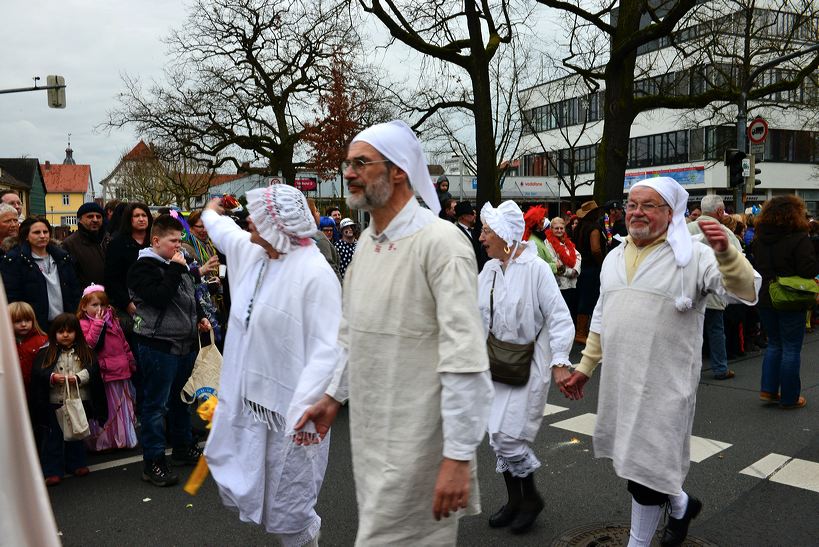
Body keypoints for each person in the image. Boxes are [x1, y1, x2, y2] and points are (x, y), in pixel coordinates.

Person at [295, 120, 493, 546]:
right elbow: (352, 333)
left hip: (422, 446)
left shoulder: (441, 243)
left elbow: (466, 359)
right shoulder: (367, 243)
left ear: (398, 171)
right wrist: (333, 396)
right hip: (371, 441)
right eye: (348, 163)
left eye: (361, 163)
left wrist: (458, 456)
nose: (348, 172)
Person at [563, 178, 758, 547]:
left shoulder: (694, 255)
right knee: (636, 462)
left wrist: (727, 253)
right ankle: (683, 504)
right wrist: (584, 367)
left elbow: (745, 292)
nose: (636, 212)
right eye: (632, 204)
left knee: (645, 473)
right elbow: (604, 316)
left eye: (649, 205)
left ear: (671, 213)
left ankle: (639, 542)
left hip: (664, 388)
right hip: (621, 382)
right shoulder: (614, 256)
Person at [201, 185, 341, 547]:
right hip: (251, 406)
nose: (249, 219)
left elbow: (330, 348)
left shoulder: (315, 273)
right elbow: (224, 230)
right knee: (258, 491)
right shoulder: (256, 254)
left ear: (278, 224)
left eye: (258, 215)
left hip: (291, 413)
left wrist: (306, 411)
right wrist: (210, 212)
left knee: (289, 506)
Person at [477, 201, 574, 534]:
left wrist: (560, 360)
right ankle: (516, 499)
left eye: (487, 231)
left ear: (506, 235)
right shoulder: (490, 270)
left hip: (530, 362)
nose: (481, 237)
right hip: (498, 362)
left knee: (510, 437)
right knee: (497, 434)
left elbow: (560, 317)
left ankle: (530, 498)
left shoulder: (536, 269)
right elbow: (476, 316)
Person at [127, 214, 211, 487]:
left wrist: (199, 315)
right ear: (156, 241)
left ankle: (183, 446)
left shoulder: (177, 263)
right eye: (173, 241)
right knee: (156, 405)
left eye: (180, 240)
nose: (178, 245)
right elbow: (160, 298)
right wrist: (175, 269)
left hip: (184, 342)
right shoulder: (143, 268)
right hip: (158, 345)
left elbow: (188, 293)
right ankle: (153, 461)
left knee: (181, 400)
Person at [752, 195, 818, 409]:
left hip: (765, 295)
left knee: (774, 344)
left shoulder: (759, 238)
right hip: (790, 296)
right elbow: (808, 270)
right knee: (791, 348)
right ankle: (789, 397)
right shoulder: (799, 238)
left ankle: (768, 391)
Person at [31, 313, 97, 486]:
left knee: (76, 433)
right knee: (53, 437)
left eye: (69, 331)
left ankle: (76, 464)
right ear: (54, 334)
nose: (65, 335)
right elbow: (39, 372)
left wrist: (79, 377)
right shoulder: (46, 351)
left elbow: (93, 369)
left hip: (77, 399)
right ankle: (52, 470)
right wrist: (52, 377)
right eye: (61, 332)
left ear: (77, 332)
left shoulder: (85, 350)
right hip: (55, 401)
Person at [687, 195, 743, 379]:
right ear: (719, 211)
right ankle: (720, 368)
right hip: (713, 290)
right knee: (716, 330)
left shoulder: (687, 229)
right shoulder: (724, 232)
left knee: (689, 333)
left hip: (689, 290)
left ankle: (686, 369)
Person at [77, 284, 138, 451]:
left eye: (102, 305)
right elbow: (90, 344)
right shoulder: (83, 324)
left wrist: (130, 360)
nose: (99, 309)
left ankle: (122, 439)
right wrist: (97, 324)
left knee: (122, 405)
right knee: (108, 407)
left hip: (121, 368)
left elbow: (123, 343)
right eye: (94, 305)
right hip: (104, 371)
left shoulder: (113, 320)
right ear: (84, 306)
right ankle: (106, 441)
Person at [1, 217, 82, 331]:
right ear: (26, 236)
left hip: (65, 323)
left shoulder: (62, 257)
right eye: (36, 232)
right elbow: (12, 296)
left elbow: (74, 289)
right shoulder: (14, 261)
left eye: (45, 232)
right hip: (34, 326)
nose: (42, 236)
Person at [104, 202, 153, 325]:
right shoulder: (117, 244)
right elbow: (112, 278)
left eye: (144, 215)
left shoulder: (156, 241)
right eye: (136, 216)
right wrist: (127, 303)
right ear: (128, 219)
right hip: (129, 304)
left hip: (154, 299)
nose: (141, 219)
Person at [572, 200, 606, 344]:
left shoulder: (579, 227)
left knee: (582, 297)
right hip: (592, 267)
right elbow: (596, 249)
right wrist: (602, 263)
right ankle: (581, 333)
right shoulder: (594, 229)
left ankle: (582, 331)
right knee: (588, 298)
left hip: (581, 266)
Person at [543, 217, 582, 324]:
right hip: (560, 286)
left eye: (561, 228)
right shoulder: (548, 244)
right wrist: (570, 273)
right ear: (551, 229)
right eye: (556, 228)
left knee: (572, 313)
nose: (559, 231)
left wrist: (575, 270)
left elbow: (578, 255)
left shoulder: (567, 241)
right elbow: (556, 264)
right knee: (562, 316)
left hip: (572, 285)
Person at [61, 202, 106, 289]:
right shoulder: (70, 244)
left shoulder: (107, 240)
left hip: (109, 298)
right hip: (87, 298)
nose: (95, 220)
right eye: (90, 216)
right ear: (80, 219)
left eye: (98, 216)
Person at [11, 301, 48, 401]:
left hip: (38, 394)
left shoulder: (43, 341)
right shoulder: (5, 343)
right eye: (18, 321)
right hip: (13, 393)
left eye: (27, 320)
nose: (23, 324)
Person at [307, 199, 342, 281]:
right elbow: (331, 266)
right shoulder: (318, 237)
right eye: (316, 211)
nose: (319, 213)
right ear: (310, 215)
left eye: (331, 230)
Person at [523, 205, 558, 274]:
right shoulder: (534, 242)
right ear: (537, 223)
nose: (544, 219)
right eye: (541, 219)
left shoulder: (538, 238)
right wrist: (555, 266)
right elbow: (537, 267)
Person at [454, 201, 488, 271]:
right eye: (472, 213)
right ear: (463, 216)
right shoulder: (456, 232)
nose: (475, 215)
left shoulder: (474, 231)